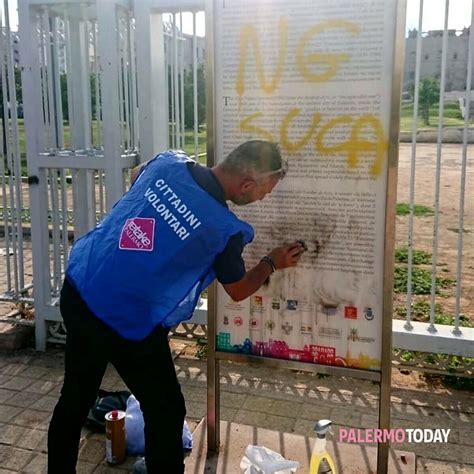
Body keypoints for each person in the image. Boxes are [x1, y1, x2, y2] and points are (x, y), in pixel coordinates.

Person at [47, 140, 306, 473]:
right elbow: (239, 289)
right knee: (166, 410)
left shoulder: (169, 163)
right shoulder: (222, 229)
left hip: (82, 286)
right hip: (126, 319)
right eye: (264, 192)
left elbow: (138, 174)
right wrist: (272, 261)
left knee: (76, 394)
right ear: (246, 184)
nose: (263, 199)